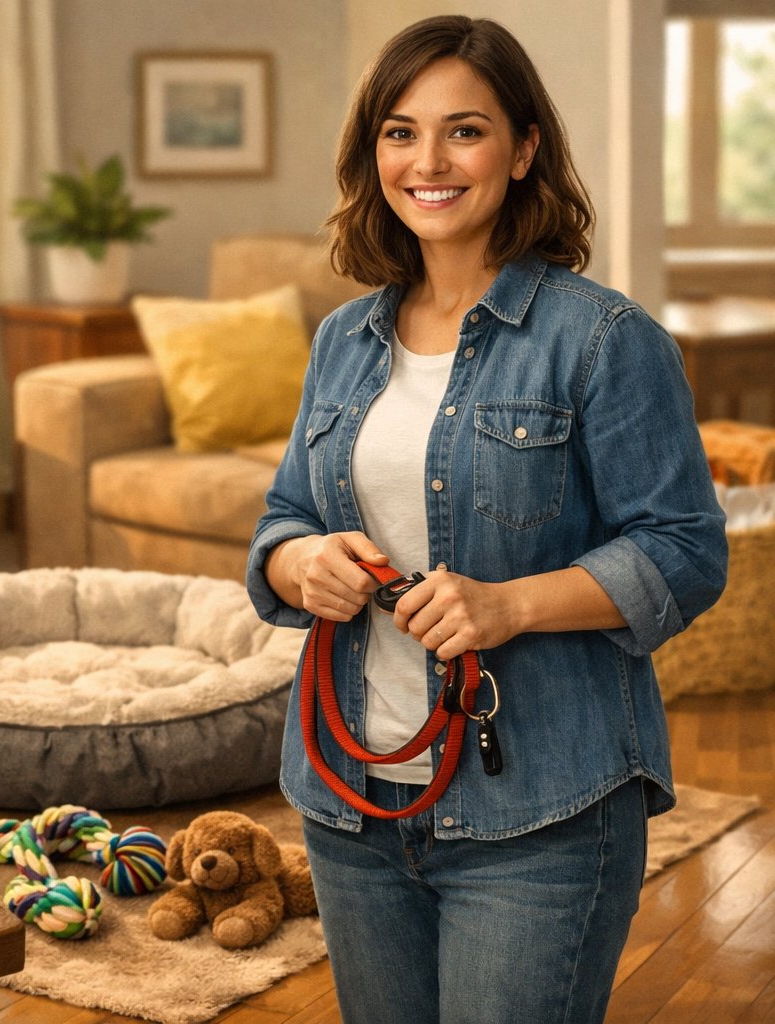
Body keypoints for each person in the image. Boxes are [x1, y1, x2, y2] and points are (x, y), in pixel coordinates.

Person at [245, 15, 727, 1024]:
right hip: (351, 798)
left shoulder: (604, 340)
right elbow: (285, 516)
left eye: (464, 131)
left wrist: (508, 606)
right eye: (399, 131)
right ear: (372, 151)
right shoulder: (342, 338)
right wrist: (303, 564)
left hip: (541, 811)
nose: (429, 161)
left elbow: (683, 550)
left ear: (523, 150)